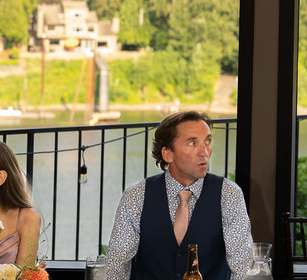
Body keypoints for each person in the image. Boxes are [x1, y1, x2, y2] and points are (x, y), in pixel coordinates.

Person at [108, 111, 252, 280]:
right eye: (192, 143)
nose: (204, 152)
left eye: (208, 141)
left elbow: (244, 267)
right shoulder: (136, 196)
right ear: (167, 154)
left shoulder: (229, 195)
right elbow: (116, 266)